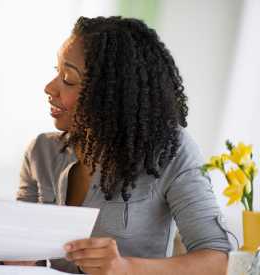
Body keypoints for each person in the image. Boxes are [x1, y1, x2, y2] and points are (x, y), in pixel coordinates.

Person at [16, 16, 231, 274]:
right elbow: (24, 252)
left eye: (68, 79)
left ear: (111, 92)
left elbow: (218, 260)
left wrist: (125, 267)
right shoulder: (41, 152)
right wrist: (15, 256)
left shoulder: (171, 153)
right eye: (56, 72)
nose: (50, 87)